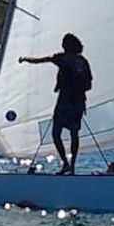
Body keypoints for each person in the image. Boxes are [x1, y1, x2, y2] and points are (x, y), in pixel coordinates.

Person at [18, 33, 92, 175]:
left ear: (66, 46)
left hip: (65, 102)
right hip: (78, 103)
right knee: (74, 133)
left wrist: (25, 59)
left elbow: (41, 60)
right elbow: (89, 85)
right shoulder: (83, 61)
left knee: (56, 133)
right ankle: (73, 167)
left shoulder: (62, 58)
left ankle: (65, 163)